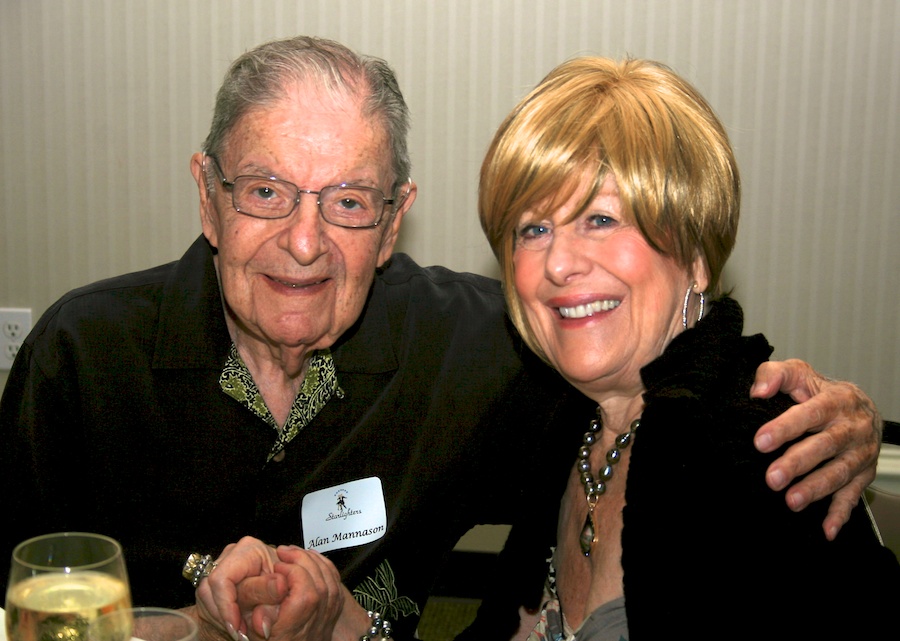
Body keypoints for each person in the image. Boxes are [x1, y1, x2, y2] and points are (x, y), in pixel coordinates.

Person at [0, 36, 884, 641]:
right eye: (266, 190)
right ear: (207, 195)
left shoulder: (499, 353)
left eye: (348, 201)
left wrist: (834, 415)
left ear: (394, 223)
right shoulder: (79, 359)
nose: (305, 242)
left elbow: (677, 399)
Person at [472, 55, 900, 639]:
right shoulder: (563, 424)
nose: (560, 262)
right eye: (533, 229)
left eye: (599, 218)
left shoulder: (764, 456)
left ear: (695, 258)